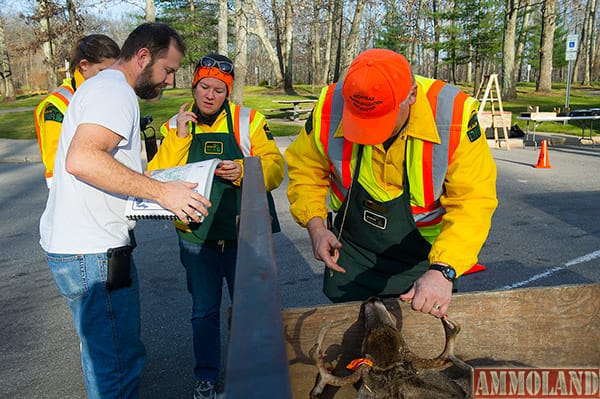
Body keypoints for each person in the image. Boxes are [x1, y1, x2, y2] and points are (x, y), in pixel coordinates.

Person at [39, 23, 212, 399]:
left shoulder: (102, 89)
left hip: (80, 246)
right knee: (117, 363)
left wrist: (156, 188)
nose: (169, 81)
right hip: (94, 253)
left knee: (102, 355)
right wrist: (161, 192)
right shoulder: (115, 93)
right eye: (168, 70)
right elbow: (82, 159)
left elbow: (106, 166)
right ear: (144, 56)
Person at [285, 48, 497, 317]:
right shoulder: (329, 106)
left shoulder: (453, 116)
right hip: (352, 250)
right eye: (360, 123)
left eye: (379, 121)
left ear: (411, 96)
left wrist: (444, 268)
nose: (368, 135)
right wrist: (315, 226)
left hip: (426, 258)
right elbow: (305, 170)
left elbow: (474, 202)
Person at [148, 53, 284, 399]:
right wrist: (179, 137)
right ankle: (205, 376)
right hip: (196, 237)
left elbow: (274, 168)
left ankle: (256, 375)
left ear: (228, 93)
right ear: (194, 87)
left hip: (244, 234)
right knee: (203, 311)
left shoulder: (248, 121)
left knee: (251, 309)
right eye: (204, 87)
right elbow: (157, 176)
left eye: (218, 90)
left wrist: (243, 170)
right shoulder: (174, 126)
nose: (210, 96)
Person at [34, 34, 120, 188]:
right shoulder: (57, 105)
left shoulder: (101, 92)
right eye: (103, 70)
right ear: (84, 65)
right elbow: (55, 161)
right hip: (72, 191)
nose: (111, 77)